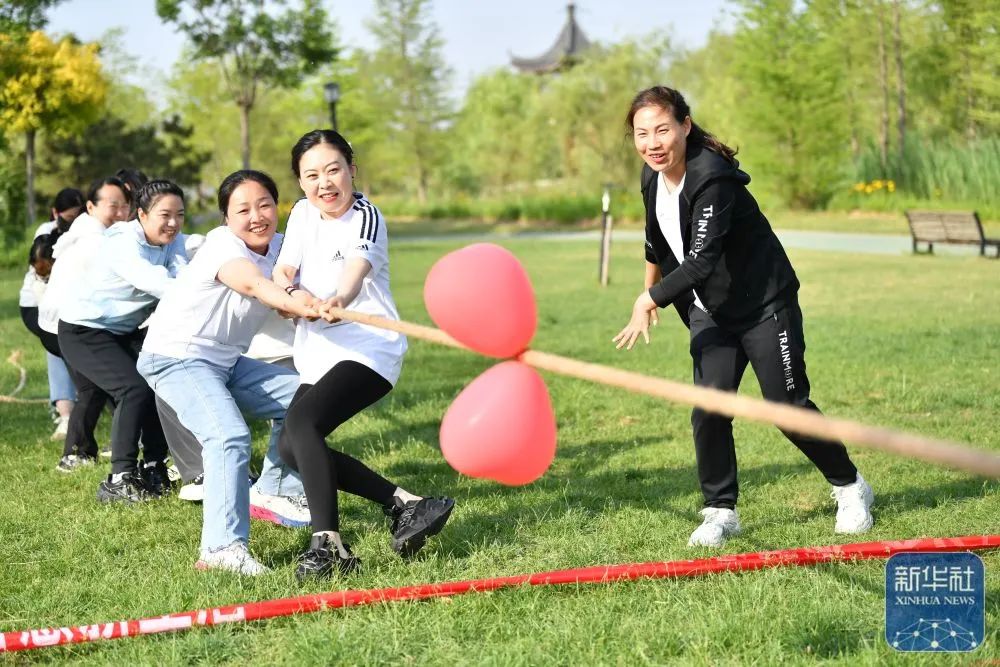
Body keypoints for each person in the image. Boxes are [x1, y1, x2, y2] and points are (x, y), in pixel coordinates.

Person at [614, 86, 873, 548]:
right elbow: (654, 240)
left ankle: (851, 488)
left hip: (763, 306)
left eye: (662, 129)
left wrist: (647, 300)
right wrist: (647, 286)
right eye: (641, 133)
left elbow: (702, 259)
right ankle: (720, 511)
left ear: (685, 126)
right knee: (710, 409)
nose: (652, 142)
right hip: (709, 310)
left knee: (788, 408)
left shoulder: (712, 177)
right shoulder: (652, 177)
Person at [273, 129, 454, 580]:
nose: (324, 183)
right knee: (291, 448)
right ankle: (405, 504)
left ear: (352, 169)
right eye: (311, 175)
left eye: (333, 170)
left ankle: (329, 544)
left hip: (369, 349)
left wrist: (338, 299)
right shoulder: (299, 214)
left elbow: (355, 273)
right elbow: (284, 267)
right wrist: (293, 291)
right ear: (300, 181)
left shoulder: (366, 217)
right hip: (318, 353)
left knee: (301, 424)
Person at [137, 170, 322, 575]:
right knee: (228, 436)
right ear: (226, 218)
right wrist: (295, 302)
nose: (257, 216)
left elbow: (285, 291)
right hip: (176, 356)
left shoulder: (280, 249)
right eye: (243, 209)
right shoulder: (224, 246)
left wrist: (310, 301)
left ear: (278, 207)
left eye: (265, 204)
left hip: (225, 361)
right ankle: (221, 550)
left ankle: (275, 488)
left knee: (310, 399)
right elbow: (256, 286)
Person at [57, 180, 188, 499]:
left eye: (180, 214)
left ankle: (155, 466)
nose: (172, 223)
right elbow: (160, 284)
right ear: (141, 215)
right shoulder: (121, 241)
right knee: (132, 388)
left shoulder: (174, 240)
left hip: (124, 330)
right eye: (164, 214)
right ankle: (119, 477)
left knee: (159, 379)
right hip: (82, 329)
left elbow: (184, 274)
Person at [39, 178, 127, 466]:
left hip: (66, 322)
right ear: (90, 206)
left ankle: (83, 450)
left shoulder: (91, 231)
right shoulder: (95, 240)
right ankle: (77, 453)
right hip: (67, 325)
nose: (120, 212)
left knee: (96, 385)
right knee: (103, 384)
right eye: (112, 205)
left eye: (124, 206)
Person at [18, 188, 84, 440]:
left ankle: (81, 402)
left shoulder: (88, 232)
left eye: (78, 216)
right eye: (68, 217)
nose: (72, 222)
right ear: (56, 214)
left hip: (69, 303)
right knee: (56, 344)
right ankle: (65, 412)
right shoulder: (45, 233)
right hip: (38, 304)